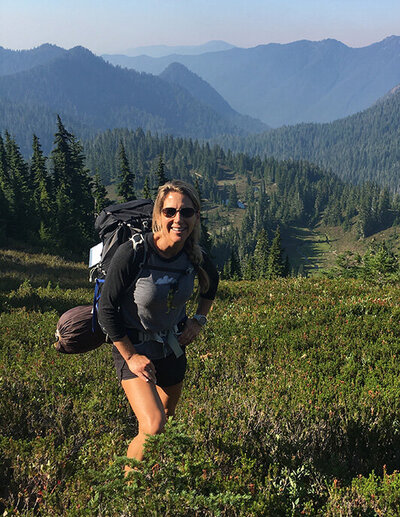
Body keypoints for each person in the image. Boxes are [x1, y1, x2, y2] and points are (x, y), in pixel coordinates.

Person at [98, 180, 219, 464]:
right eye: (170, 212)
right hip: (134, 348)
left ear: (196, 217)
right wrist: (131, 357)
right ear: (158, 215)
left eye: (187, 212)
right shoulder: (134, 253)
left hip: (172, 348)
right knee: (153, 426)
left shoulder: (196, 257)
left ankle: (154, 479)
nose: (179, 219)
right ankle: (127, 491)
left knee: (167, 420)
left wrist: (199, 320)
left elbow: (211, 287)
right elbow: (106, 309)